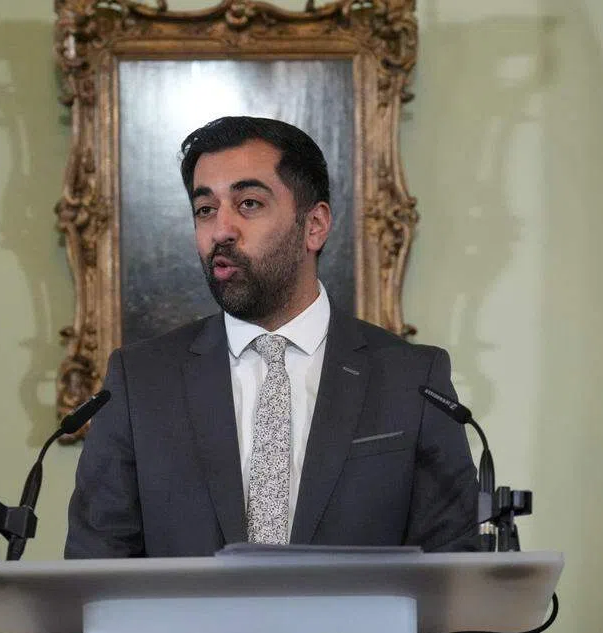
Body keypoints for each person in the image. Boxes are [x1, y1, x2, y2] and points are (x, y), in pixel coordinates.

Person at [64, 116, 479, 559]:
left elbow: (452, 566)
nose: (221, 230)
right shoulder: (141, 382)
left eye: (248, 204)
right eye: (205, 209)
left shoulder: (411, 380)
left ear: (314, 225)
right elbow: (95, 568)